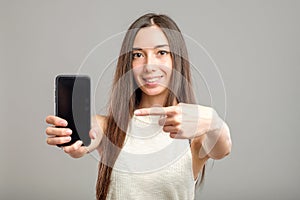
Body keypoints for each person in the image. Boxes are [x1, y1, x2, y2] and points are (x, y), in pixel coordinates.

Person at [45, 13, 232, 200]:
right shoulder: (108, 128)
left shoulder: (194, 133)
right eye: (138, 55)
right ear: (129, 63)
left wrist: (214, 122)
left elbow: (222, 149)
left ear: (177, 59)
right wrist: (77, 140)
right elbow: (90, 135)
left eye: (161, 52)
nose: (149, 66)